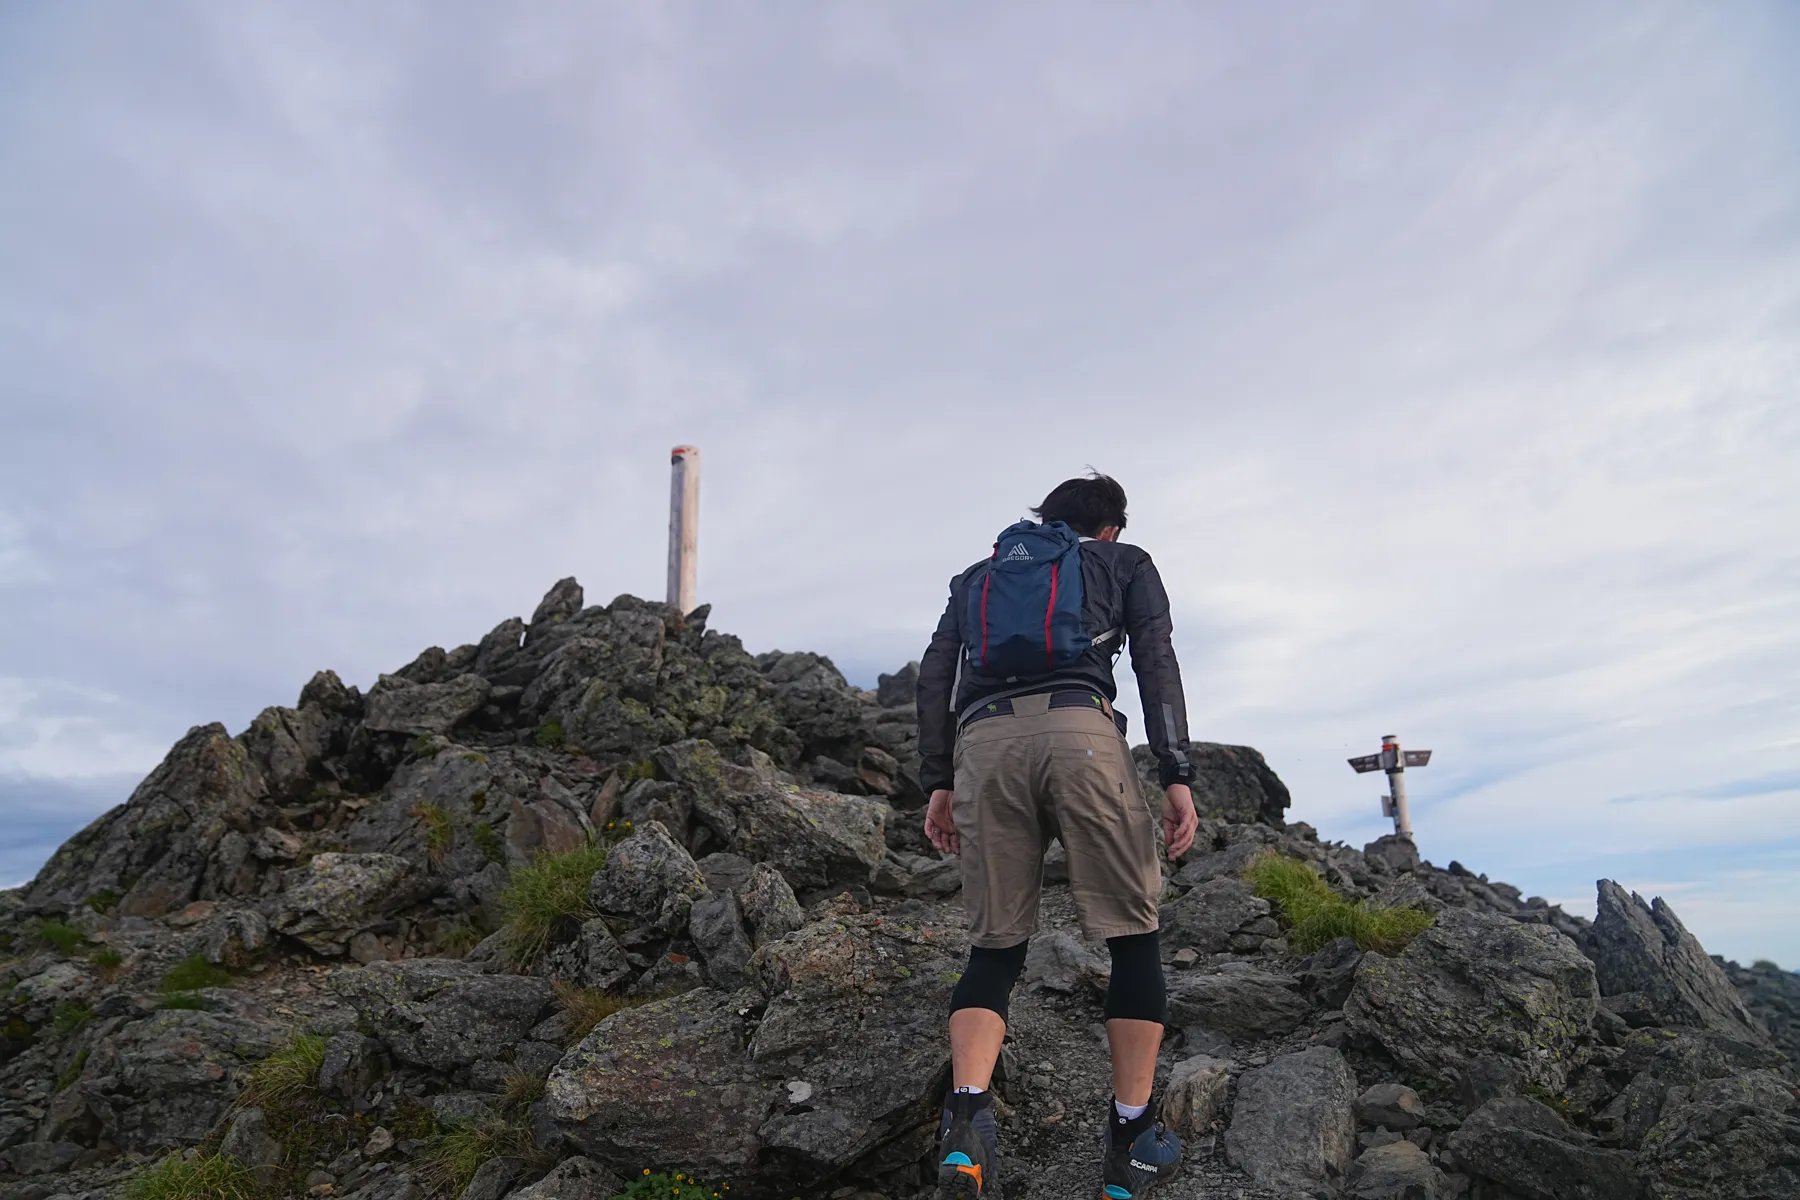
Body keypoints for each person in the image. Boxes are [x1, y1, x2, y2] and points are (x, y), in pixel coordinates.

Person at [915, 472, 1200, 1199]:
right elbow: (1154, 659)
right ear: (1109, 528)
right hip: (1081, 733)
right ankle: (1132, 1138)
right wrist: (1176, 773)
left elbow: (936, 675)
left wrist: (939, 779)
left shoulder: (976, 579)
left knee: (994, 944)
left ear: (1045, 520)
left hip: (984, 746)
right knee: (1133, 934)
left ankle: (967, 1129)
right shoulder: (1123, 563)